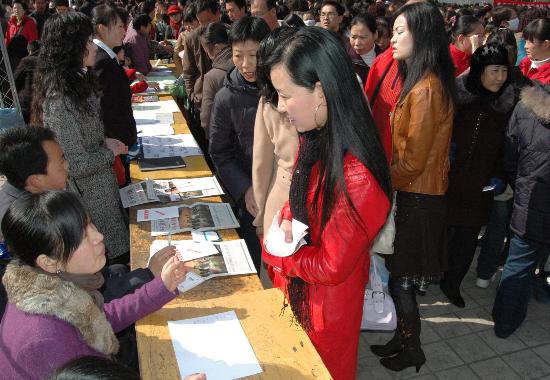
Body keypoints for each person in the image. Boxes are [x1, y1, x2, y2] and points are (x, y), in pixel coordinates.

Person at [262, 27, 391, 380]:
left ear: (320, 90)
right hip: (300, 296)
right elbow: (298, 203)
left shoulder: (357, 176)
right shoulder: (318, 139)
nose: (279, 106)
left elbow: (332, 265)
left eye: (285, 94)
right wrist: (286, 222)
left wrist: (278, 255)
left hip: (324, 314)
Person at [0, 190, 189, 380]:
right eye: (83, 236)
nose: (99, 236)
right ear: (48, 262)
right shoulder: (46, 339)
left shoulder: (54, 294)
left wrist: (161, 287)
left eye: (90, 223)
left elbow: (98, 320)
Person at [371, 2, 456, 372]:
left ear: (420, 35)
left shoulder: (425, 88)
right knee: (398, 278)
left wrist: (380, 185)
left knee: (402, 281)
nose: (392, 38)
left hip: (418, 197)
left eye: (400, 31)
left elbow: (411, 162)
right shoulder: (422, 80)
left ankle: (412, 350)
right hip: (415, 193)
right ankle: (403, 338)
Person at [33, 11, 130, 264]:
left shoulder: (77, 84)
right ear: (71, 47)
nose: (93, 46)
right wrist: (110, 151)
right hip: (90, 204)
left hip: (102, 196)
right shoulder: (59, 99)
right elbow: (75, 165)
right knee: (109, 269)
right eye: (87, 41)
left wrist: (104, 144)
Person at [440, 43, 515, 308]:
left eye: (504, 71)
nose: (500, 78)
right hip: (449, 178)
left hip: (481, 184)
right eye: (494, 71)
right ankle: (431, 276)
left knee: (468, 237)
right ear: (480, 70)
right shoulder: (457, 97)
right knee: (442, 231)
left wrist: (500, 175)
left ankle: (452, 284)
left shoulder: (507, 105)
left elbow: (508, 147)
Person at [209, 16, 271, 272]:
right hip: (251, 200)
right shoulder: (226, 98)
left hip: (287, 196)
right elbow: (220, 152)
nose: (247, 65)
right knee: (256, 265)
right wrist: (245, 189)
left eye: (254, 55)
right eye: (238, 55)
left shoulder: (282, 89)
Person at [492, 80, 550, 338]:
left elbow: (510, 152)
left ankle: (504, 320)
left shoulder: (525, 105)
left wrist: (520, 181)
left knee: (518, 262)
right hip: (533, 199)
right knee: (528, 260)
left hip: (529, 198)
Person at [253, 26, 300, 239]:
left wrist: (262, 212)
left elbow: (261, 163)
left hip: (280, 198)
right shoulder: (324, 96)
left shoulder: (268, 101)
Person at [92, 4, 137, 184]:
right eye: (119, 27)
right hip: (114, 143)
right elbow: (105, 107)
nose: (124, 32)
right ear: (102, 28)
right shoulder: (101, 61)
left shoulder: (107, 57)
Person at [200, 22, 233, 139]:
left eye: (207, 51)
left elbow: (207, 117)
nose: (207, 55)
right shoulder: (244, 66)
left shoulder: (212, 76)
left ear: (217, 48)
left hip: (221, 139)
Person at [348, 13, 380, 87]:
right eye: (353, 37)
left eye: (362, 37)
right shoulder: (345, 59)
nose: (357, 43)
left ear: (375, 35)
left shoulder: (386, 56)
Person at [518, 18, 550, 84]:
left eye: (530, 42)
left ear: (545, 44)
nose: (525, 46)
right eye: (525, 41)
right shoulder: (524, 63)